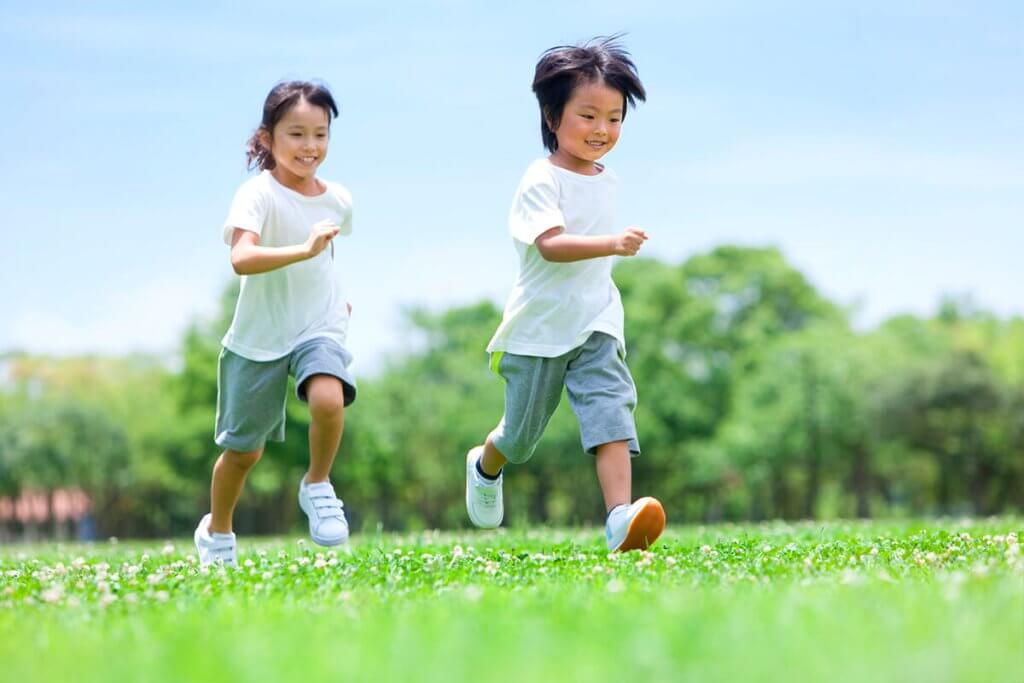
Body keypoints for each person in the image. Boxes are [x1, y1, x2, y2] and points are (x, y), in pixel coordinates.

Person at [465, 36, 666, 552]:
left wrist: (610, 254)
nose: (603, 130)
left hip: (597, 321)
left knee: (612, 413)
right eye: (589, 115)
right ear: (553, 117)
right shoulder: (540, 178)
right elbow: (551, 246)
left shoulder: (608, 179)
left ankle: (619, 518)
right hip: (540, 328)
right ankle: (485, 465)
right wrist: (613, 244)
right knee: (521, 437)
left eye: (615, 118)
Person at [194, 81, 356, 566]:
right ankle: (217, 531)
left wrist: (339, 300)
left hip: (318, 323)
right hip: (260, 336)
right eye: (297, 134)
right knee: (244, 453)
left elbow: (328, 255)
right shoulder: (256, 194)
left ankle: (318, 482)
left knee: (329, 396)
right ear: (268, 139)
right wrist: (301, 251)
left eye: (320, 135)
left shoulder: (339, 199)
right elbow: (241, 258)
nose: (310, 147)